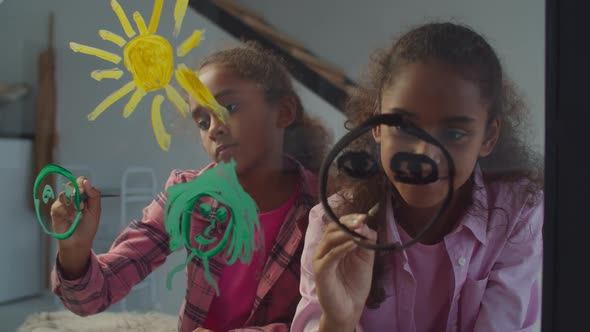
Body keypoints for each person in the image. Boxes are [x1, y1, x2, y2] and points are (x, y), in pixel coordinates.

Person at [50, 42, 332, 332]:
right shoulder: (186, 194)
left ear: (283, 112)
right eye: (202, 121)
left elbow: (324, 320)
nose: (214, 128)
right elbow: (91, 298)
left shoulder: (325, 208)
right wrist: (74, 250)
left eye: (229, 107)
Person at [292, 22, 544, 332]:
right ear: (377, 123)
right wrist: (338, 321)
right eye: (404, 127)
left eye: (454, 133)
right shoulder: (334, 223)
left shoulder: (516, 214)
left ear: (489, 137)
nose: (424, 157)